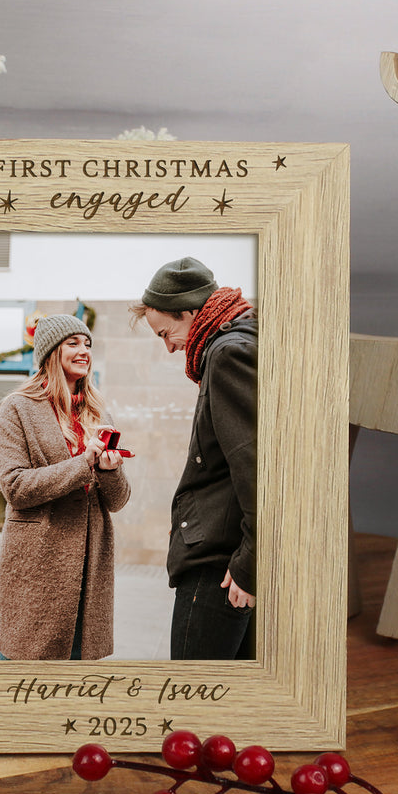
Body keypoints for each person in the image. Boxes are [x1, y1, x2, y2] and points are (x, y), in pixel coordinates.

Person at [130, 256, 257, 660]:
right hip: (228, 553)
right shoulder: (243, 340)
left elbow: (256, 468)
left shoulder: (229, 354)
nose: (169, 347)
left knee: (193, 695)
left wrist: (249, 565)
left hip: (217, 563)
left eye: (168, 332)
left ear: (189, 310)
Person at [0, 313, 131, 660]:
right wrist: (84, 463)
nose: (84, 350)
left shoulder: (98, 414)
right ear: (51, 351)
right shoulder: (17, 409)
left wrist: (109, 470)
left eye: (88, 344)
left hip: (89, 566)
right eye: (73, 342)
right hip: (38, 566)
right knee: (25, 677)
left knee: (75, 679)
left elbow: (117, 501)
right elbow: (15, 487)